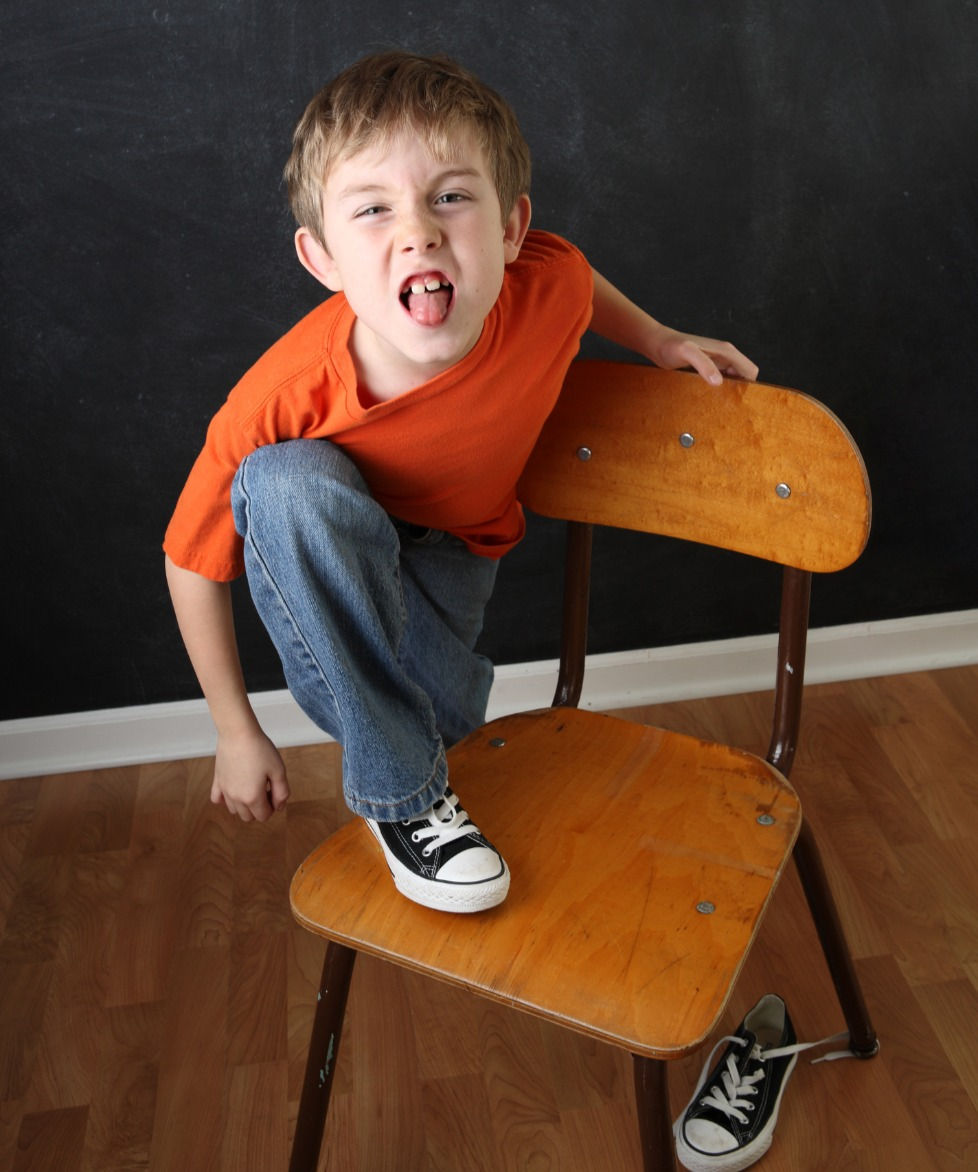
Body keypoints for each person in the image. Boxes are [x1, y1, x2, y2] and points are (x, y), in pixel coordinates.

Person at [163, 50, 758, 915]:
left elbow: (579, 282)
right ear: (322, 257)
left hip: (454, 568)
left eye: (450, 196)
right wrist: (233, 728)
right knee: (284, 481)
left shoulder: (542, 284)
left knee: (446, 720)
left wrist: (659, 337)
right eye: (372, 210)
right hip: (323, 577)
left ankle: (408, 741)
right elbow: (190, 561)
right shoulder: (284, 393)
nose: (419, 232)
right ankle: (403, 800)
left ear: (512, 230)